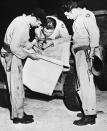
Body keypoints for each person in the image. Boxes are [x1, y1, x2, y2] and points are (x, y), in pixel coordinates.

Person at [0, 8, 47, 124]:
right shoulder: (23, 25)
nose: (38, 26)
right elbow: (15, 47)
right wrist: (31, 55)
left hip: (11, 54)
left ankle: (19, 112)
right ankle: (18, 117)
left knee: (17, 86)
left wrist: (34, 47)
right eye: (39, 23)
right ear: (36, 18)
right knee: (16, 87)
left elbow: (22, 42)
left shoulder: (21, 20)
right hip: (11, 56)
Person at [64, 0, 100, 126]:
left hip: (85, 52)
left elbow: (94, 33)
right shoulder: (78, 19)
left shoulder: (86, 15)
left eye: (67, 13)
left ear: (73, 9)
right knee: (81, 84)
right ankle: (87, 111)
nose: (67, 16)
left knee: (86, 84)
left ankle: (90, 115)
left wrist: (92, 51)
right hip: (79, 53)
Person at [35, 16, 71, 97]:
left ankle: (64, 66)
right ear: (42, 27)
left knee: (66, 44)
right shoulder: (38, 27)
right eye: (45, 31)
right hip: (46, 47)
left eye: (50, 32)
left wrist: (53, 42)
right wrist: (39, 43)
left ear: (55, 28)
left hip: (57, 45)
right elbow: (37, 38)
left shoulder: (60, 25)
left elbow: (68, 38)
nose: (47, 33)